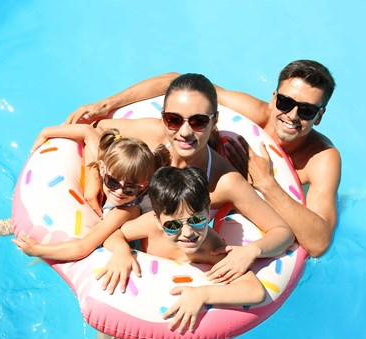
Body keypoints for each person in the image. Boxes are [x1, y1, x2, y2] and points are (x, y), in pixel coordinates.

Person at [66, 60, 339, 258]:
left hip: (235, 200)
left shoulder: (321, 158)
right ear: (274, 98)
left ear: (320, 114)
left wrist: (266, 182)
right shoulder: (248, 114)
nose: (291, 115)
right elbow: (177, 83)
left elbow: (317, 243)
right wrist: (108, 104)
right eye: (285, 103)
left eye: (306, 110)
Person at [85, 73, 294, 287]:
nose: (185, 132)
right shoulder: (153, 135)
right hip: (121, 238)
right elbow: (97, 129)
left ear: (214, 121)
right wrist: (92, 178)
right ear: (164, 117)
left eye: (199, 121)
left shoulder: (224, 180)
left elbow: (283, 232)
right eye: (174, 120)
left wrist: (251, 251)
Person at [97, 166, 266, 339]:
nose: (188, 232)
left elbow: (255, 291)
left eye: (197, 220)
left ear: (207, 210)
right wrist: (121, 251)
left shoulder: (211, 248)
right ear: (159, 221)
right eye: (173, 226)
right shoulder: (150, 226)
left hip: (167, 314)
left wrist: (202, 294)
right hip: (137, 299)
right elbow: (113, 234)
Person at [0, 125, 169, 261]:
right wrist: (46, 132)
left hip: (115, 234)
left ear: (144, 185)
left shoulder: (127, 209)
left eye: (130, 188)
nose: (120, 191)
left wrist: (38, 251)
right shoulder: (102, 165)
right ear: (103, 169)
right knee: (36, 217)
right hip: (89, 207)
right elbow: (89, 133)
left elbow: (84, 247)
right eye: (112, 182)